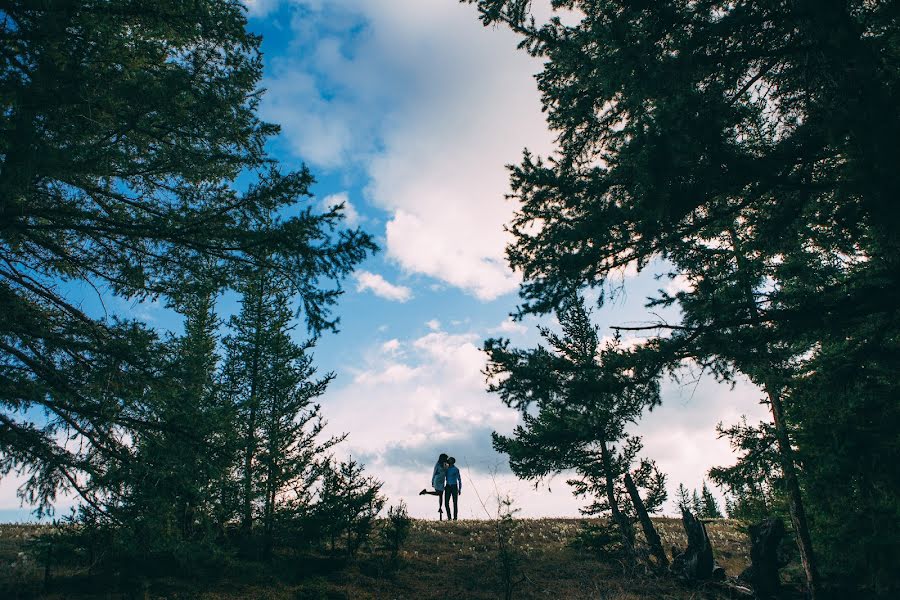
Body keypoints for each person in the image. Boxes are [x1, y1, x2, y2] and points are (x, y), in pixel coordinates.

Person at [419, 453, 448, 519]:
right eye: (445, 458)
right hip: (437, 480)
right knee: (439, 493)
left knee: (441, 495)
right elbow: (434, 473)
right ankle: (425, 492)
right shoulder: (437, 465)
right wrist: (432, 481)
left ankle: (440, 508)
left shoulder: (445, 464)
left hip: (442, 481)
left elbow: (446, 472)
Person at [444, 456, 461, 520]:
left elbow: (459, 479)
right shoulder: (446, 468)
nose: (448, 460)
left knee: (455, 502)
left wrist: (459, 489)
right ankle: (449, 517)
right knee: (446, 502)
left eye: (450, 460)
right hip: (448, 486)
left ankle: (455, 518)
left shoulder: (456, 469)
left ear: (452, 462)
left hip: (454, 486)